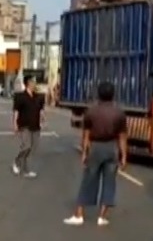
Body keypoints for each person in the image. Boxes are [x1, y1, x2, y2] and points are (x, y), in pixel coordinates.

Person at [64, 81, 128, 226]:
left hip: (96, 147)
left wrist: (84, 152)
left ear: (99, 94)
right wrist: (123, 156)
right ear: (113, 94)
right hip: (112, 147)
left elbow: (86, 135)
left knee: (88, 180)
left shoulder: (91, 111)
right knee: (109, 182)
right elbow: (122, 137)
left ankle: (79, 214)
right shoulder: (119, 113)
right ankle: (102, 217)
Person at [12, 75, 45, 177]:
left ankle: (25, 169)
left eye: (35, 82)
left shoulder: (38, 97)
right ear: (28, 83)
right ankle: (17, 161)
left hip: (35, 125)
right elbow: (16, 111)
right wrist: (15, 123)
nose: (34, 84)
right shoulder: (20, 97)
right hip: (24, 125)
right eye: (33, 82)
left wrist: (42, 120)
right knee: (27, 146)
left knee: (32, 148)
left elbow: (41, 111)